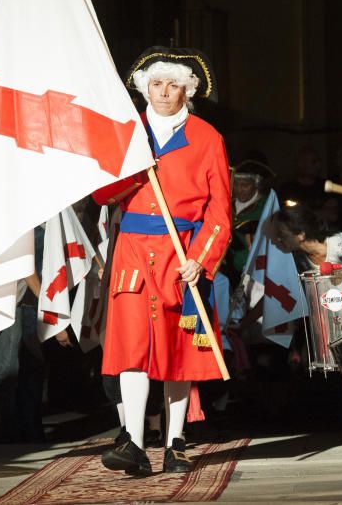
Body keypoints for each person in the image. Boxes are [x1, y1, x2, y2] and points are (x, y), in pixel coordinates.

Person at [93, 46, 231, 475]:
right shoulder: (129, 135)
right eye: (156, 84)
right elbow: (101, 194)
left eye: (173, 84)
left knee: (175, 348)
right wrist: (133, 167)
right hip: (133, 250)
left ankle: (175, 441)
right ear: (144, 88)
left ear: (188, 90)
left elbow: (221, 213)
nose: (164, 92)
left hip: (182, 254)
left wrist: (200, 260)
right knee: (132, 345)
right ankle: (133, 441)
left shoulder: (208, 138)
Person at [268, 204, 342, 272]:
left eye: (282, 234)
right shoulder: (299, 258)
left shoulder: (340, 245)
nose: (279, 239)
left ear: (301, 235)